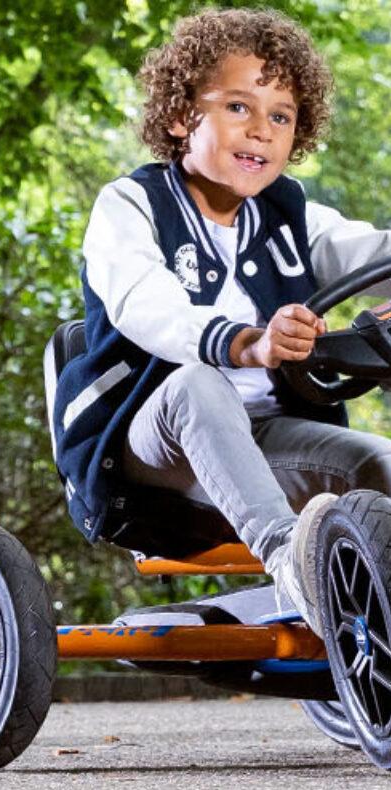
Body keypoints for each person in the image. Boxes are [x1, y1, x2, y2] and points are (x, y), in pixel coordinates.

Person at [51, 7, 391, 635]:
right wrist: (244, 341)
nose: (261, 130)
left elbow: (371, 256)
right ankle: (297, 567)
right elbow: (144, 303)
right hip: (146, 444)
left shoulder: (292, 216)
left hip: (264, 439)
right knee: (197, 384)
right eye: (239, 107)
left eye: (281, 116)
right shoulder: (131, 205)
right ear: (182, 116)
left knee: (379, 465)